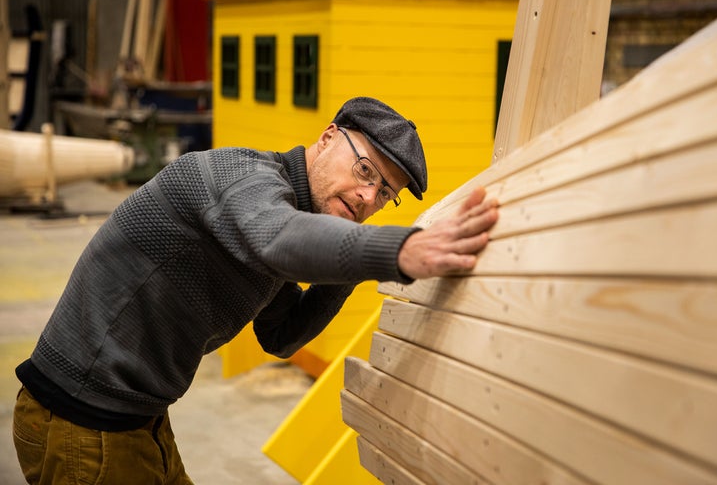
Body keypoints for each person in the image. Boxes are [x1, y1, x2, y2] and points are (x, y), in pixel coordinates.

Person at [12, 96, 499, 484]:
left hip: (136, 417)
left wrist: (353, 268)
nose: (369, 197)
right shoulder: (242, 181)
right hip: (82, 417)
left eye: (384, 194)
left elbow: (280, 336)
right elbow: (279, 238)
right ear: (328, 139)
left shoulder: (278, 217)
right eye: (366, 171)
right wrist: (399, 250)